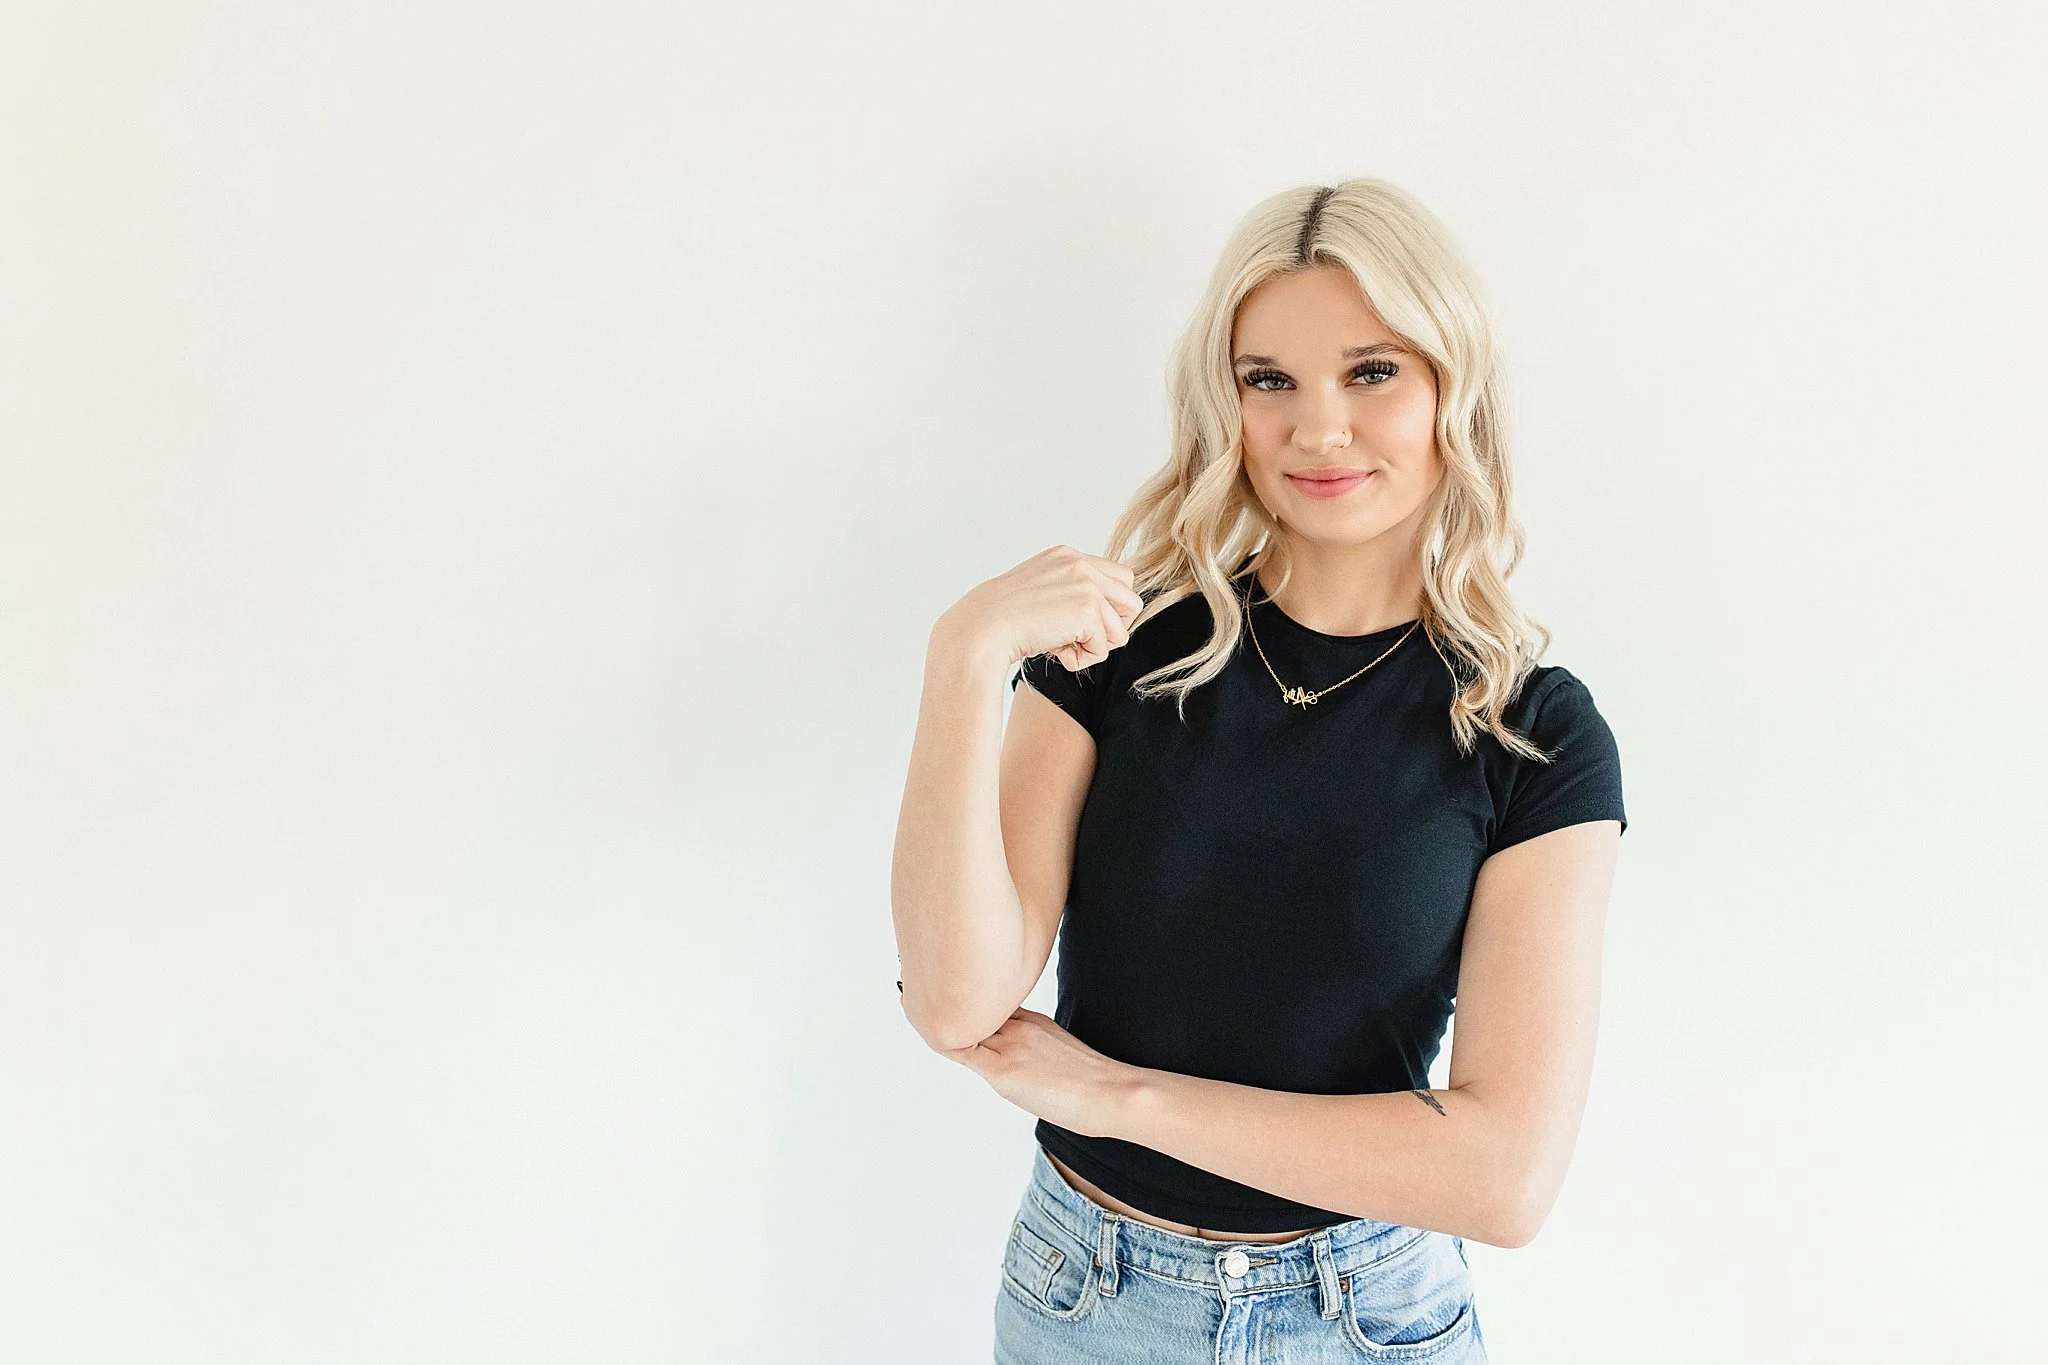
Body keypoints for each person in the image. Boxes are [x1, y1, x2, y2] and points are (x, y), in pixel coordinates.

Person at [890, 176, 1626, 1362]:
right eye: (1267, 380)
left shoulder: (1531, 731)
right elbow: (957, 1001)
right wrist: (961, 657)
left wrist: (1119, 1099)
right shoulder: (1115, 658)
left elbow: (1503, 1177)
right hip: (1089, 1300)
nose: (1316, 427)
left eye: (1371, 372)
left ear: (1453, 386)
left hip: (1367, 1316)